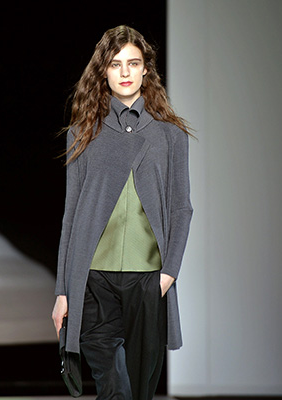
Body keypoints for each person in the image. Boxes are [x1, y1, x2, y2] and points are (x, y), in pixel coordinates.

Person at [52, 25, 193, 400]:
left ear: (146, 69)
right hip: (93, 278)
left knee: (140, 389)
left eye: (133, 63)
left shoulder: (170, 136)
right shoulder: (84, 132)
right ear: (104, 71)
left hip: (147, 279)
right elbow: (71, 215)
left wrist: (168, 274)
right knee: (115, 387)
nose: (125, 72)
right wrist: (63, 291)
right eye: (116, 64)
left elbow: (182, 208)